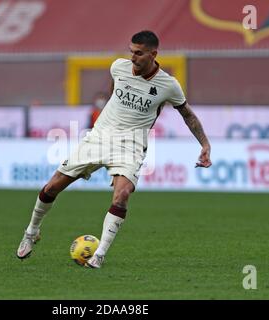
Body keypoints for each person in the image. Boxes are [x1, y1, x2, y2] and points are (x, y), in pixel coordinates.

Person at [17, 30, 212, 268]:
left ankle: (98, 255)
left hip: (130, 145)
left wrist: (204, 144)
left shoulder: (168, 85)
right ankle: (31, 231)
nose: (133, 58)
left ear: (153, 54)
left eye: (139, 53)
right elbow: (114, 92)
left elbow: (187, 115)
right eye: (131, 52)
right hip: (99, 137)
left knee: (122, 195)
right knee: (53, 186)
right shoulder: (118, 67)